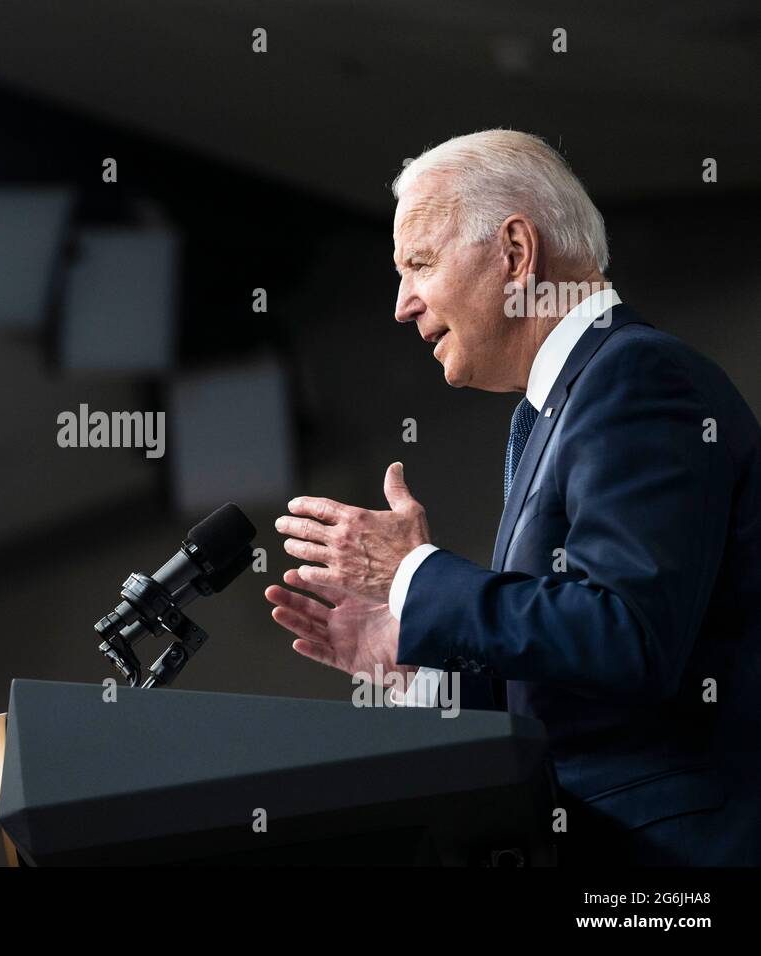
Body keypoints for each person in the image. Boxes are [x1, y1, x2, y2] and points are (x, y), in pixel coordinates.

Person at [266, 129, 761, 866]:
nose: (402, 305)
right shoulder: (558, 408)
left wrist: (415, 574)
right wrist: (419, 662)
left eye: (420, 265)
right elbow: (572, 680)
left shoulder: (636, 377)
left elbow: (628, 633)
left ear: (516, 253)